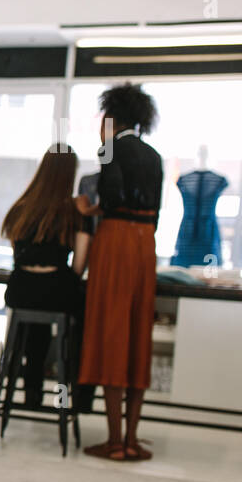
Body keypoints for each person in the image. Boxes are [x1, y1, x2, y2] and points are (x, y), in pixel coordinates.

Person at [75, 82, 163, 460]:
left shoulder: (110, 148)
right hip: (145, 245)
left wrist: (87, 210)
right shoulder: (154, 156)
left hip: (115, 243)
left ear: (112, 118)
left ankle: (113, 442)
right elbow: (155, 212)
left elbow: (110, 199)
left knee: (111, 331)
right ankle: (132, 438)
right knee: (138, 332)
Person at [0, 145, 89, 409]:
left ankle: (31, 388)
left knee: (33, 326)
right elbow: (79, 265)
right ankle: (76, 390)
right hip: (56, 289)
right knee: (81, 314)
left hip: (20, 288)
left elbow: (18, 252)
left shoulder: (21, 209)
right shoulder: (74, 212)